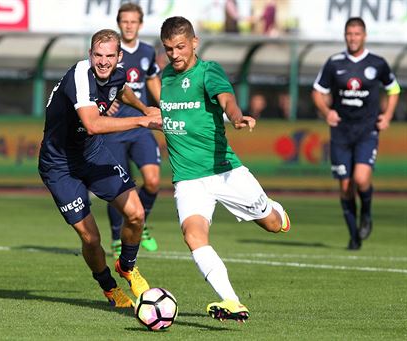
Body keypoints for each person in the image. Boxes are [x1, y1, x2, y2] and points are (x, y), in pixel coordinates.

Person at [159, 16, 291, 322]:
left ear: (194, 43)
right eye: (169, 49)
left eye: (180, 47)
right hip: (188, 180)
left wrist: (236, 116)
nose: (175, 54)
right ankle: (231, 300)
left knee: (272, 224)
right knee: (193, 236)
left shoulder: (208, 71)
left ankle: (275, 210)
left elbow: (227, 99)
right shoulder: (165, 78)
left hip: (225, 172)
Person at [38, 29, 162, 308]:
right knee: (91, 238)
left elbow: (123, 89)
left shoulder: (118, 73)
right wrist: (143, 122)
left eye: (109, 56)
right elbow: (93, 124)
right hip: (59, 165)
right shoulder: (81, 76)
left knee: (136, 214)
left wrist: (144, 108)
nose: (103, 61)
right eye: (98, 55)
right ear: (90, 55)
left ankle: (127, 267)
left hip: (92, 154)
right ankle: (108, 286)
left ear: (119, 57)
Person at [312, 17, 400, 250]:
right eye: (349, 34)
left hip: (367, 130)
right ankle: (354, 236)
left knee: (361, 179)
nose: (353, 38)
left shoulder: (377, 63)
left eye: (357, 34)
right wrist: (326, 112)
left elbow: (394, 88)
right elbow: (317, 91)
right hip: (341, 131)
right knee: (345, 186)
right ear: (345, 36)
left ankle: (367, 214)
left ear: (364, 36)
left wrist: (388, 115)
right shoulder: (334, 63)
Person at [103, 3, 162, 259]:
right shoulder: (108, 52)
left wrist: (162, 106)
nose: (129, 25)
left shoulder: (147, 51)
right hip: (114, 129)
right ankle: (117, 237)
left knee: (152, 180)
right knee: (120, 189)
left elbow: (151, 80)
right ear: (119, 23)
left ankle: (140, 224)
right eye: (124, 21)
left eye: (133, 21)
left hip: (140, 126)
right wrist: (104, 101)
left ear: (140, 24)